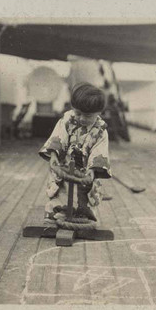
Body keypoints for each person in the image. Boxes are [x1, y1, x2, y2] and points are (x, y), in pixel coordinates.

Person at [39, 83, 112, 223]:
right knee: (60, 188)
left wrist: (93, 169)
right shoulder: (67, 120)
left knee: (85, 190)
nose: (82, 119)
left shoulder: (100, 131)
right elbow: (58, 137)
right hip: (64, 164)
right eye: (78, 113)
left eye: (88, 116)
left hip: (85, 167)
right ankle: (57, 211)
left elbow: (99, 150)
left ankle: (82, 213)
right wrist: (53, 155)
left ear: (99, 113)